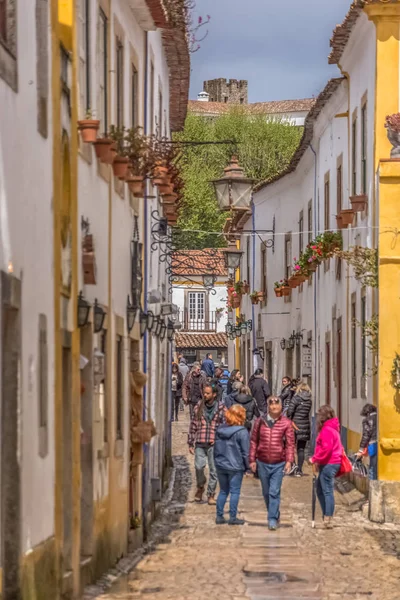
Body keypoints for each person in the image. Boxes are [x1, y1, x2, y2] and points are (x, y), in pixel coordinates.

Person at [249, 396, 295, 530]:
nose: (274, 408)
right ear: (268, 407)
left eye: (277, 405)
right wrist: (252, 460)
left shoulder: (286, 423)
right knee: (266, 492)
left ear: (281, 407)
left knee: (274, 491)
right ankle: (274, 512)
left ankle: (272, 518)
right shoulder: (260, 422)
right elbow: (253, 441)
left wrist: (289, 461)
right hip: (262, 461)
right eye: (272, 406)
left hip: (278, 462)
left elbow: (290, 444)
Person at [188, 383, 226, 504]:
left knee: (214, 470)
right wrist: (190, 442)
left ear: (214, 394)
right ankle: (200, 486)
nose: (205, 395)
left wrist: (220, 438)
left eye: (208, 393)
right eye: (204, 393)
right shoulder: (199, 406)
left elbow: (225, 426)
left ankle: (211, 494)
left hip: (214, 443)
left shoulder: (221, 408)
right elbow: (193, 424)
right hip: (200, 441)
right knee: (199, 466)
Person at [214, 404, 250, 525]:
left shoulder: (220, 429)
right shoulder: (242, 432)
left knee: (223, 491)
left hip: (221, 464)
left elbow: (216, 448)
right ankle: (232, 517)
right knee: (235, 492)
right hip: (235, 465)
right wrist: (248, 468)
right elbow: (246, 452)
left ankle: (219, 516)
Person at [310, 405, 342, 529]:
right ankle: (326, 514)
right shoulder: (330, 428)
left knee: (327, 490)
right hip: (328, 462)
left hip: (330, 463)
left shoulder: (327, 430)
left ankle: (328, 517)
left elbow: (326, 449)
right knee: (319, 489)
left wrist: (315, 458)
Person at [287, 382, 312, 476]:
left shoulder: (296, 398)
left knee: (291, 447)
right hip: (305, 425)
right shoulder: (309, 400)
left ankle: (293, 466)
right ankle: (300, 470)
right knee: (301, 449)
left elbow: (290, 411)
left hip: (294, 425)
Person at [356, 403, 377, 480]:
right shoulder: (380, 417)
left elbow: (366, 435)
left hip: (372, 444)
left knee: (372, 466)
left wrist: (361, 449)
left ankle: (373, 486)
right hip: (381, 444)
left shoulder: (367, 420)